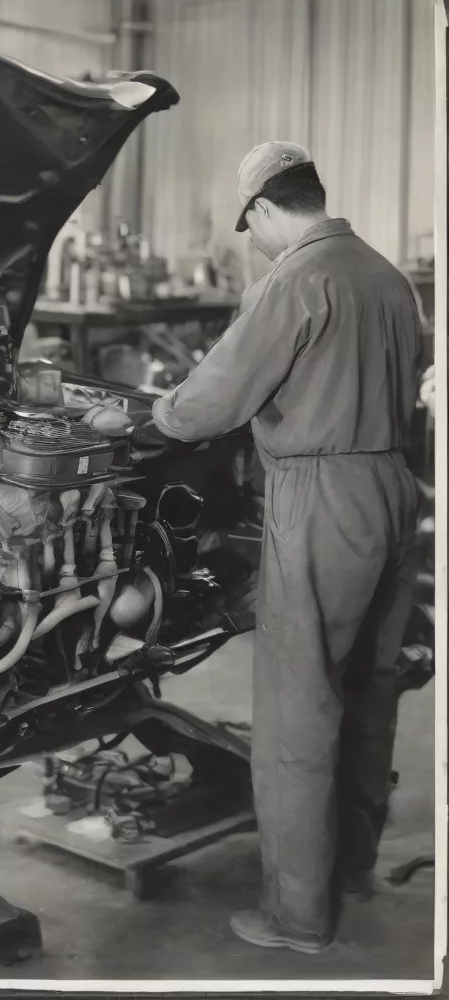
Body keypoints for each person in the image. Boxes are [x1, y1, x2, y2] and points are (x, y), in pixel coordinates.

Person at [148, 142, 424, 953]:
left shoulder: (294, 280)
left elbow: (208, 404)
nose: (254, 241)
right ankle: (352, 869)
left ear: (265, 209)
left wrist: (151, 415)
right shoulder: (385, 276)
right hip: (393, 488)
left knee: (300, 709)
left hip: (320, 496)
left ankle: (295, 916)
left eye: (250, 227)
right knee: (371, 690)